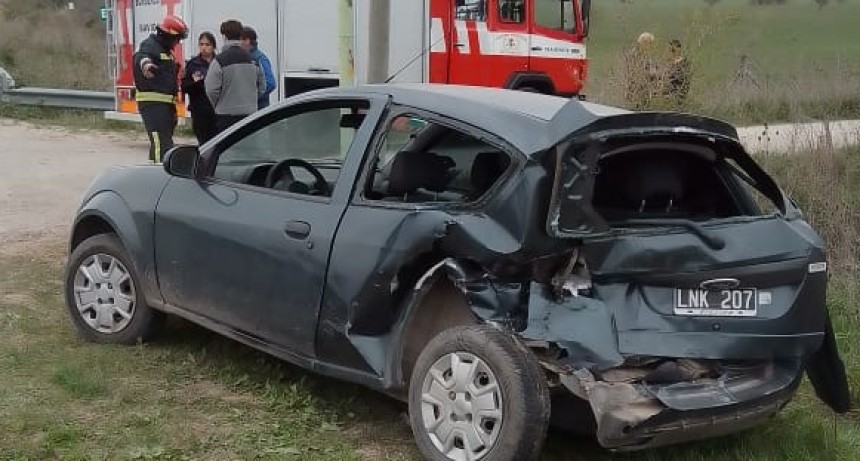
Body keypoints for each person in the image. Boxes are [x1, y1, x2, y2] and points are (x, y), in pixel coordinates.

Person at [132, 14, 188, 163]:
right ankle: (160, 178)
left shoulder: (165, 51)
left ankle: (152, 174)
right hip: (153, 105)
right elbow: (142, 57)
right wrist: (146, 65)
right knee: (161, 145)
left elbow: (164, 74)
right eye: (177, 38)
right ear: (166, 35)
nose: (177, 42)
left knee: (162, 143)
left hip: (165, 105)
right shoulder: (149, 45)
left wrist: (177, 70)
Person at [205, 20, 265, 133]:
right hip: (250, 115)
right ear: (240, 35)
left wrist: (220, 104)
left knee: (228, 149)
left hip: (226, 117)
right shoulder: (253, 60)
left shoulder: (219, 60)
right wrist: (250, 101)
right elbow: (262, 87)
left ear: (224, 36)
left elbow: (211, 90)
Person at [181, 32, 218, 145]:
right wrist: (198, 84)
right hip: (199, 109)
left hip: (216, 109)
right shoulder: (193, 64)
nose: (204, 48)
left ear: (213, 46)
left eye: (207, 45)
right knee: (204, 142)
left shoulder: (219, 62)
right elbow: (184, 87)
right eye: (201, 44)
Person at [240, 26, 277, 109]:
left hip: (259, 108)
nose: (239, 43)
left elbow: (270, 83)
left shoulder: (259, 58)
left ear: (247, 41)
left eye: (241, 40)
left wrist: (253, 98)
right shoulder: (244, 57)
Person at [623, 32, 659, 110]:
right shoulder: (634, 55)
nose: (647, 45)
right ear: (640, 43)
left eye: (649, 43)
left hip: (647, 91)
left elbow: (655, 71)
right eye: (645, 42)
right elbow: (632, 72)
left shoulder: (651, 57)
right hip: (635, 90)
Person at [664, 39, 692, 108]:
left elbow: (681, 80)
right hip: (667, 96)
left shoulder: (683, 64)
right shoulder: (670, 63)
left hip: (677, 96)